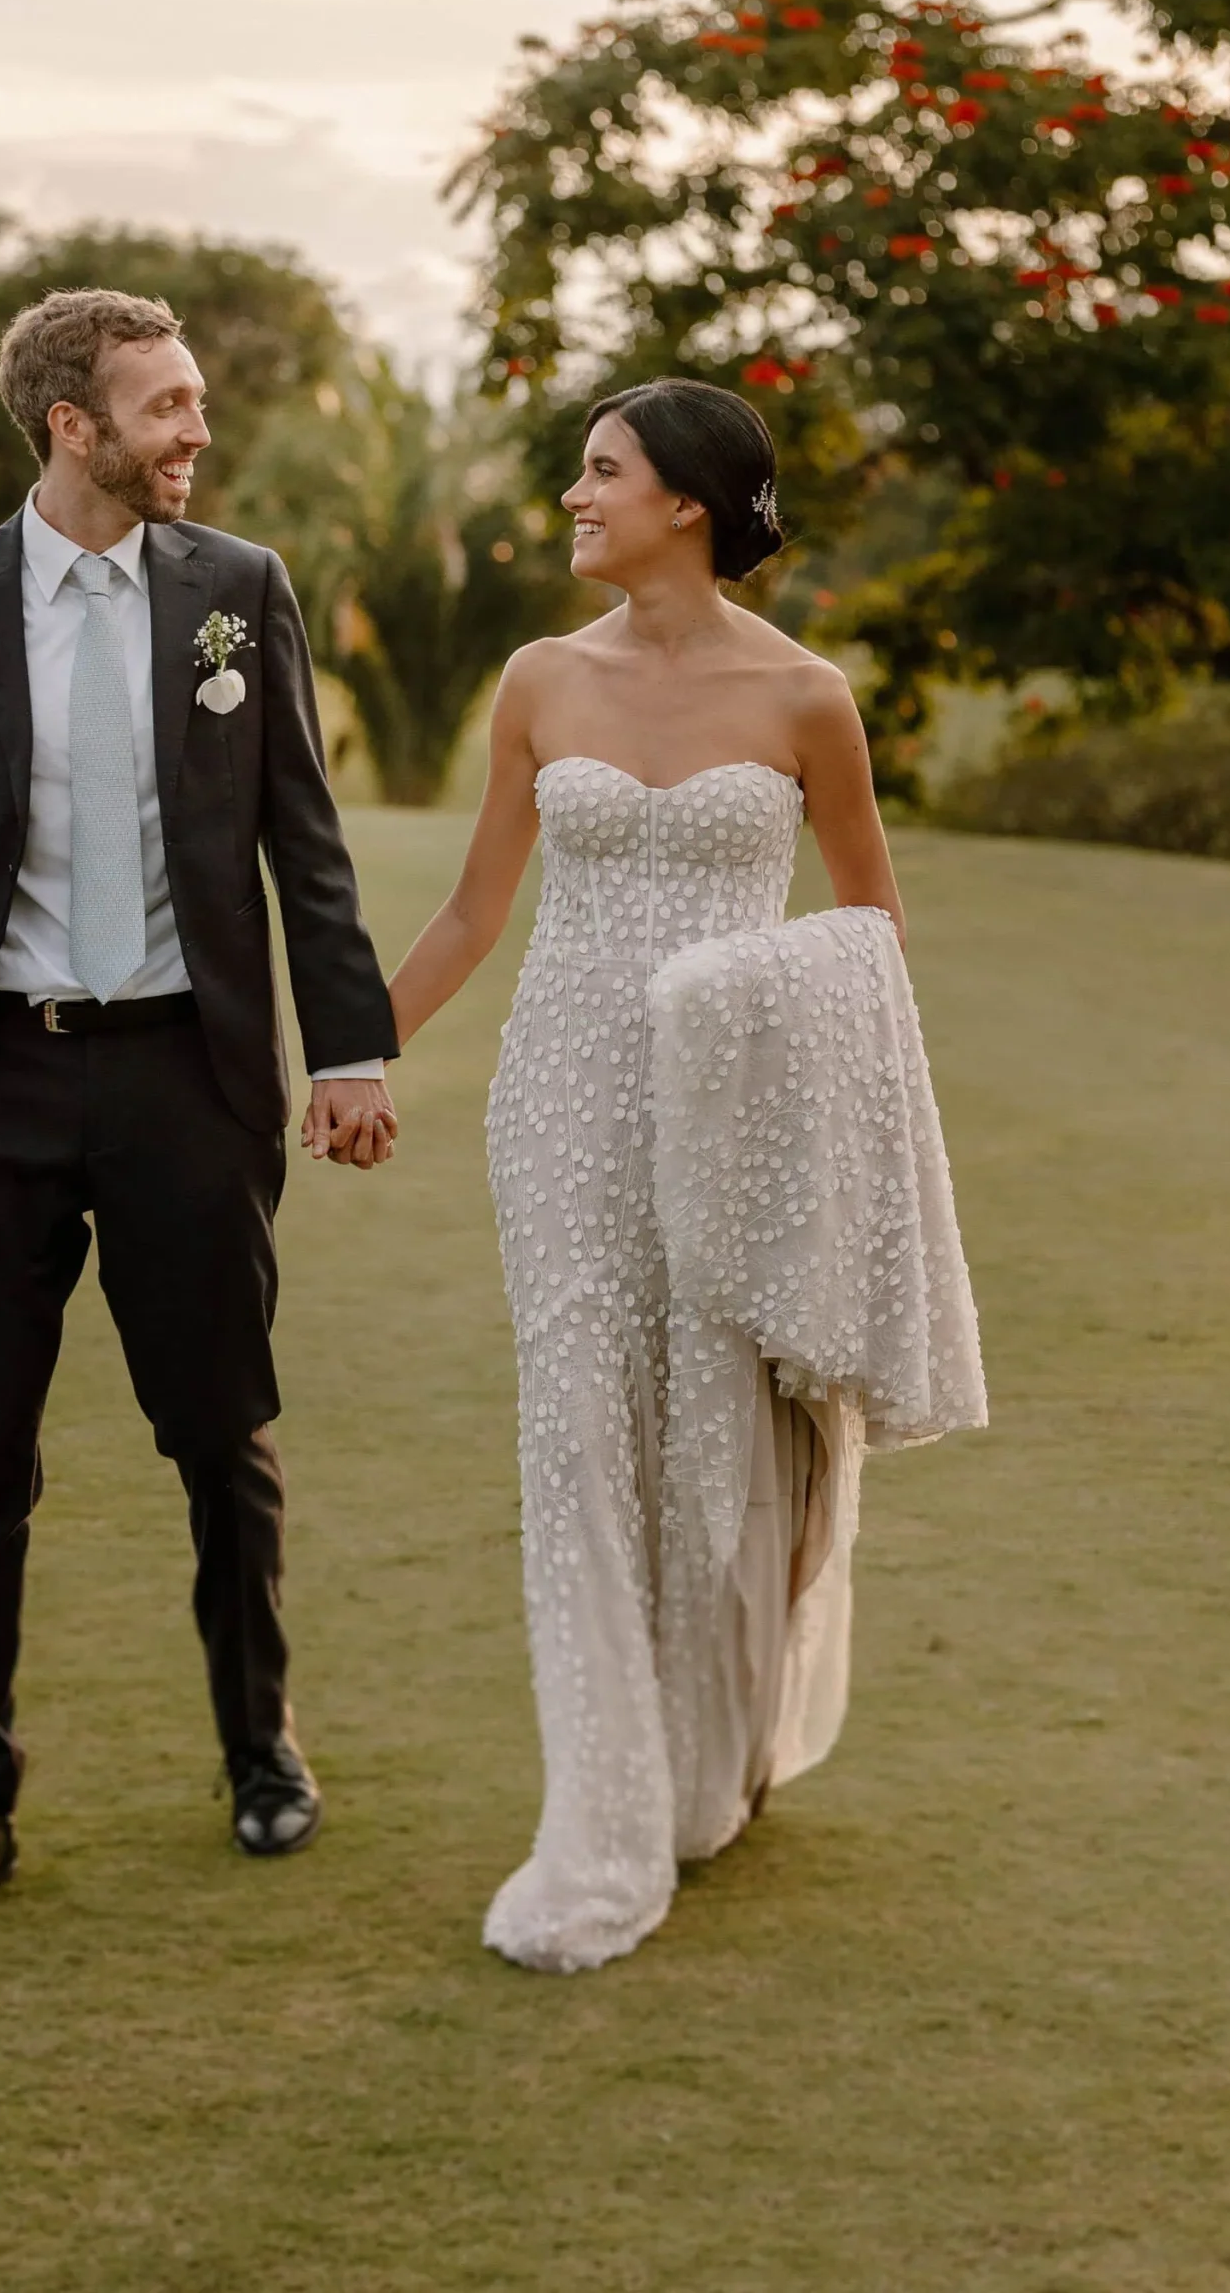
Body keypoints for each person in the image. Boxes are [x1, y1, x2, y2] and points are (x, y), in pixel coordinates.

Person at [388, 377, 985, 1972]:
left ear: (689, 506)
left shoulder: (806, 700)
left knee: (727, 1436)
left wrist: (742, 999)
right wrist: (349, 1051)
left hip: (734, 1113)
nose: (572, 499)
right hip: (565, 1099)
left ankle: (712, 1758)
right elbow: (468, 918)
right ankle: (600, 1804)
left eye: (599, 473)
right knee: (581, 1433)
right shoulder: (535, 680)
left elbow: (868, 928)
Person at [0, 287, 399, 1918]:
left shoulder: (239, 590)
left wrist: (349, 1047)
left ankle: (260, 1752)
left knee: (220, 1435)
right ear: (71, 425)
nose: (195, 434)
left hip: (186, 1075)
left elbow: (305, 836)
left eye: (195, 402)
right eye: (165, 408)